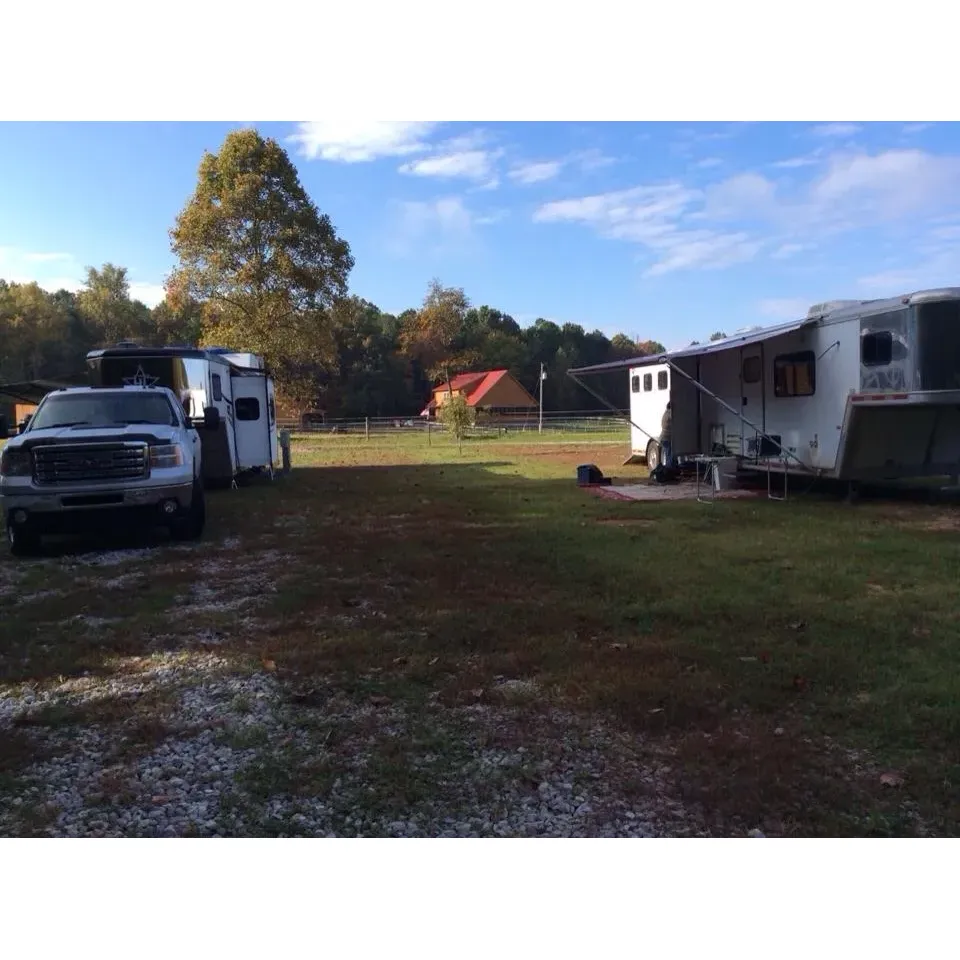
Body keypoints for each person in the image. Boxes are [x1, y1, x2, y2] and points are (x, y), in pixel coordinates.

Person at [660, 401, 673, 468]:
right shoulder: (670, 413)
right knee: (669, 455)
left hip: (664, 438)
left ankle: (668, 469)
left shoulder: (665, 413)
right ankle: (668, 470)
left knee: (668, 454)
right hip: (667, 438)